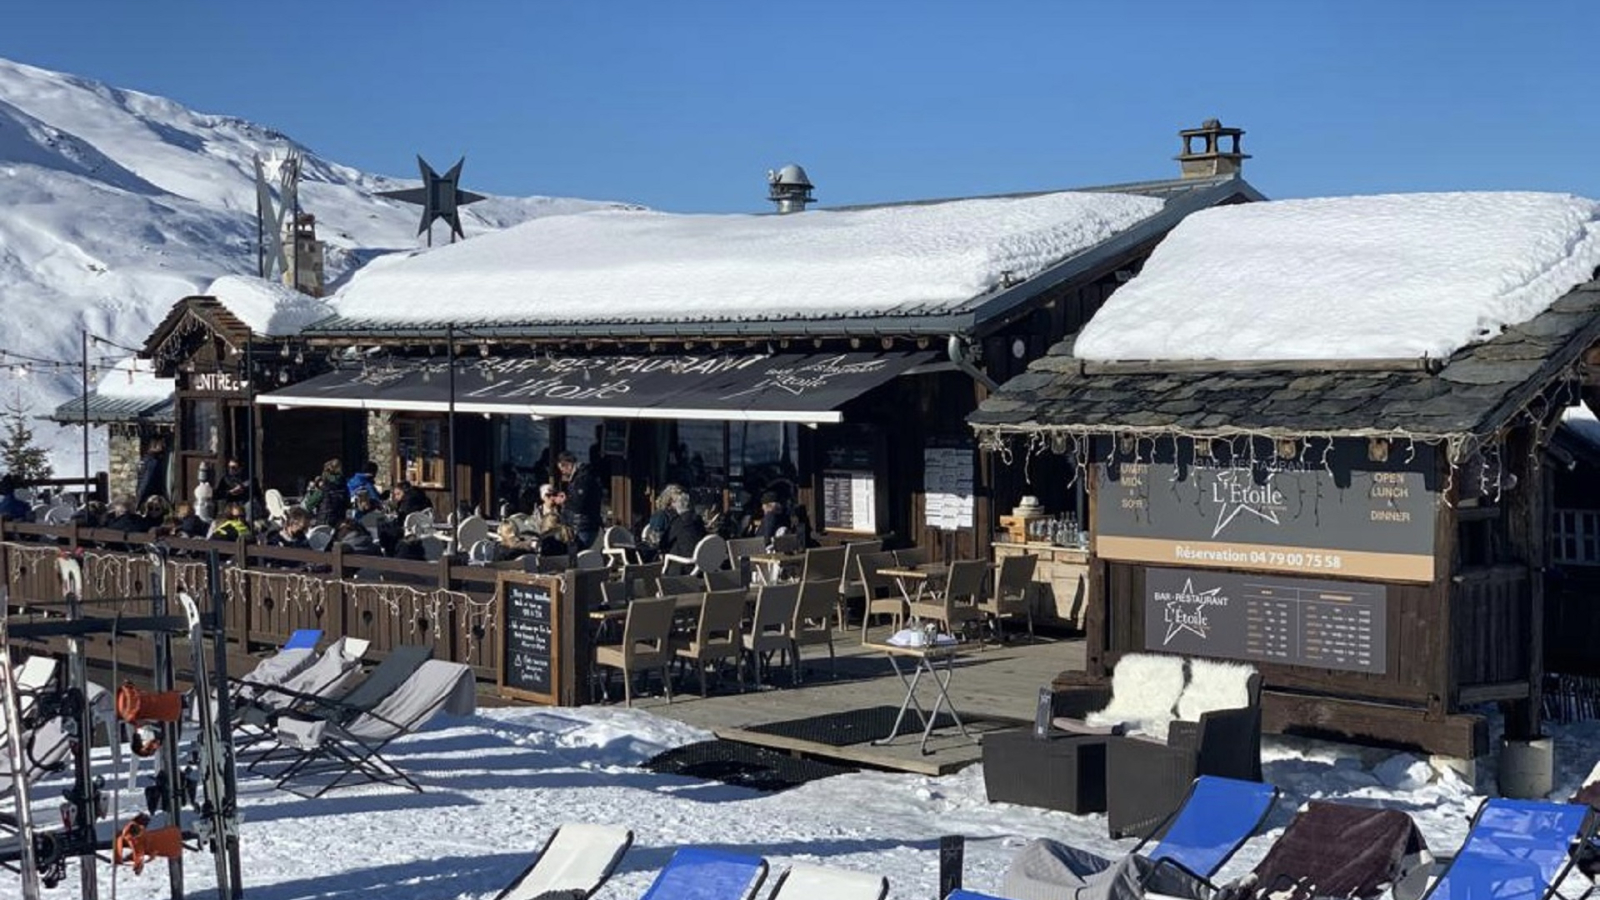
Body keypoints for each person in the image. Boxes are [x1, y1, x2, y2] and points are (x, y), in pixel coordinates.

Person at [556, 451, 601, 550]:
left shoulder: (582, 479)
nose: (563, 473)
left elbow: (579, 504)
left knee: (576, 555)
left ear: (567, 465)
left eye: (562, 469)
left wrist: (564, 501)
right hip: (585, 525)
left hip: (582, 526)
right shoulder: (583, 476)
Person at [302, 458, 349, 527]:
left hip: (324, 525)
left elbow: (308, 506)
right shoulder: (344, 487)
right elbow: (348, 504)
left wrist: (310, 493)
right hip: (340, 525)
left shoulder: (323, 489)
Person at [661, 492, 706, 561]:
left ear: (678, 505)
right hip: (702, 560)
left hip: (684, 563)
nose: (672, 505)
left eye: (674, 502)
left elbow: (664, 544)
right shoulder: (698, 519)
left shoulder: (678, 522)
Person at [134, 438, 168, 505]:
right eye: (161, 444)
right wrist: (139, 499)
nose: (164, 446)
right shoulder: (152, 461)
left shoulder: (147, 459)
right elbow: (146, 480)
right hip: (152, 494)